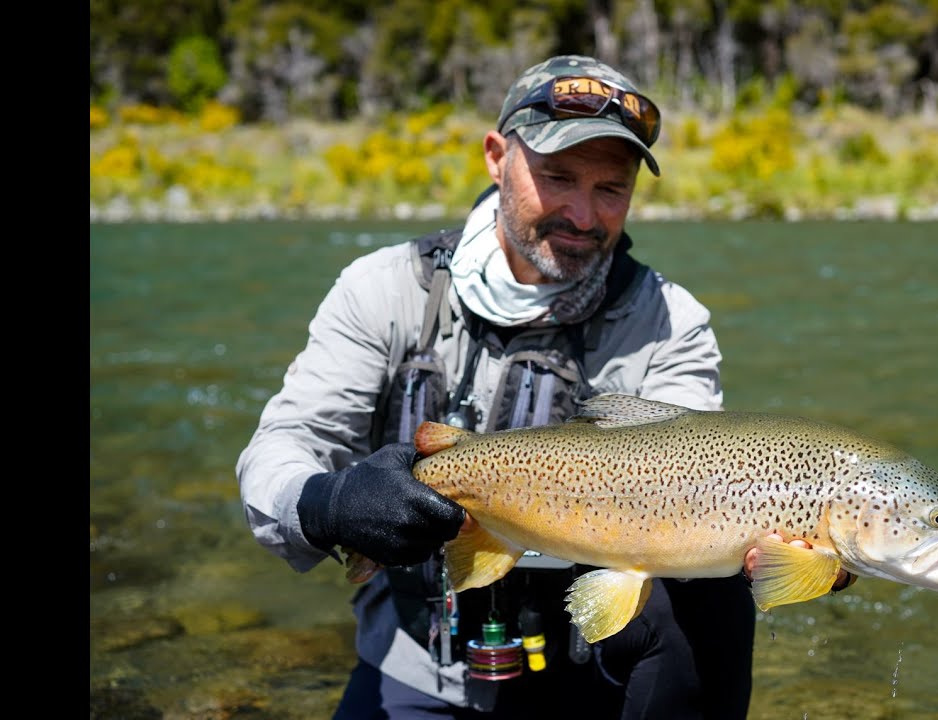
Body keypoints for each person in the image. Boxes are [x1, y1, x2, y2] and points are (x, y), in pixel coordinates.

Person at [237, 54, 850, 720]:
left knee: (711, 599)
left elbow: (699, 478)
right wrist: (328, 503)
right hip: (418, 662)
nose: (583, 215)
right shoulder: (383, 289)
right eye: (556, 177)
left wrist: (802, 547)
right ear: (497, 157)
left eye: (610, 189)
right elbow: (280, 451)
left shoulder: (670, 322)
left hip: (591, 667)